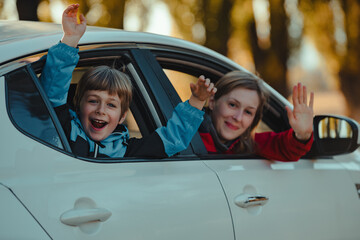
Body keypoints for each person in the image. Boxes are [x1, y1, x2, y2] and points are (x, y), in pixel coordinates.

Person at [40, 4, 217, 158]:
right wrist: (69, 40)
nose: (101, 110)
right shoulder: (65, 129)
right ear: (78, 104)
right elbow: (52, 92)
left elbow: (171, 140)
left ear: (122, 116)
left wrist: (197, 101)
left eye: (111, 105)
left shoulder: (126, 151)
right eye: (93, 101)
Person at [199, 71, 314, 161]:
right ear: (212, 102)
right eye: (232, 105)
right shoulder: (186, 133)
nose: (238, 118)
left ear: (254, 119)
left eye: (248, 112)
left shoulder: (250, 145)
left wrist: (302, 135)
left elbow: (284, 148)